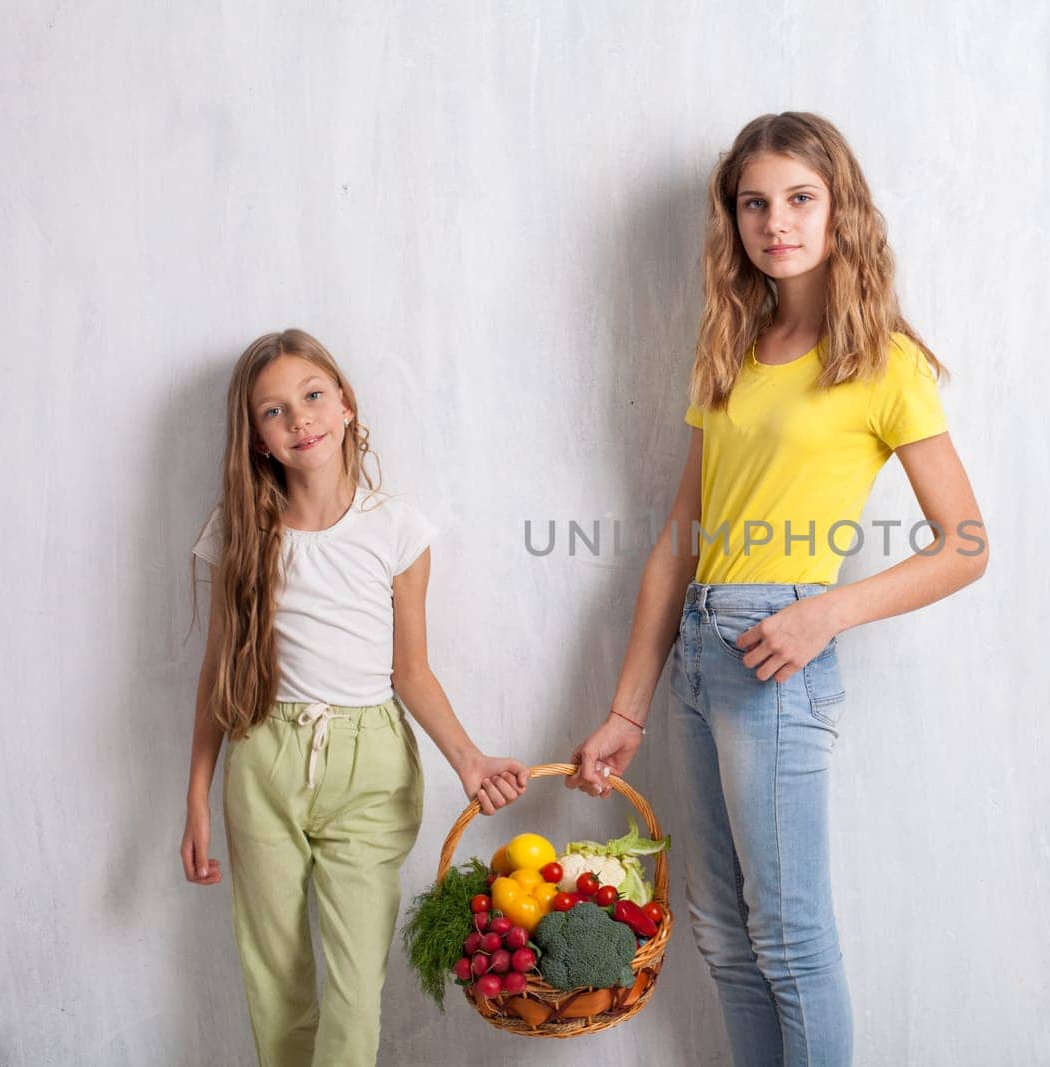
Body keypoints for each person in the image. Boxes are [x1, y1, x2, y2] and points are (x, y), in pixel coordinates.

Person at [567, 112, 989, 1066]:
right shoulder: (731, 354)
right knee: (723, 933)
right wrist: (626, 708)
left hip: (778, 654)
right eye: (754, 203)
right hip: (699, 658)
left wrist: (824, 612)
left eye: (800, 198)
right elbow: (678, 545)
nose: (777, 222)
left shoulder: (882, 361)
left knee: (792, 939)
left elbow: (965, 545)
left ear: (841, 210)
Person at [178, 328, 529, 1065]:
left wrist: (468, 759)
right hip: (264, 760)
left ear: (345, 407)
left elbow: (412, 671)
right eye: (273, 411)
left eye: (311, 396)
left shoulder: (397, 529)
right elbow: (217, 670)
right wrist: (197, 797)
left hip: (370, 768)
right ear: (259, 439)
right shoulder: (240, 532)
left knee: (354, 986)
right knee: (275, 979)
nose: (298, 419)